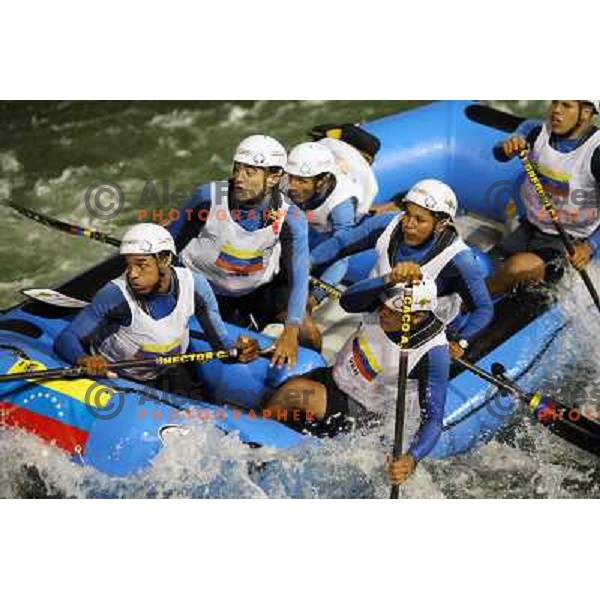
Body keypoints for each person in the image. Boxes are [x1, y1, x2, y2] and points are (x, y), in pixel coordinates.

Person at [264, 276, 449, 485]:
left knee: (293, 392)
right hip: (333, 378)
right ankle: (265, 431)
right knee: (275, 394)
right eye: (382, 306)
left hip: (361, 411)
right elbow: (347, 302)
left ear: (416, 318)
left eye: (391, 312)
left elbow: (434, 418)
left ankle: (259, 449)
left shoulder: (433, 353)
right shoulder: (379, 304)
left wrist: (411, 458)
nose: (381, 313)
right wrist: (389, 278)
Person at [54, 224, 258, 393]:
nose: (132, 274)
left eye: (141, 264)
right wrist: (84, 359)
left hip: (169, 372)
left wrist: (240, 351)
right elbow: (66, 338)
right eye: (129, 264)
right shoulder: (115, 294)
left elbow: (223, 348)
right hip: (119, 378)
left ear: (164, 259)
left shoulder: (196, 287)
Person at [168, 134, 316, 366]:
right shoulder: (207, 197)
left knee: (308, 334)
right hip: (201, 289)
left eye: (250, 172)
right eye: (237, 169)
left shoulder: (292, 218)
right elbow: (169, 245)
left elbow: (298, 276)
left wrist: (291, 329)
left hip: (256, 291)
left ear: (274, 177)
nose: (239, 178)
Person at [311, 179, 494, 359]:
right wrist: (307, 262)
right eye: (407, 214)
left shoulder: (460, 259)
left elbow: (483, 307)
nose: (408, 224)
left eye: (419, 220)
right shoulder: (387, 224)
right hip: (381, 312)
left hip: (424, 331)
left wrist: (461, 341)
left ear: (440, 224)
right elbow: (341, 243)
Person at [488, 100, 600, 294]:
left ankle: (463, 305)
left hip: (567, 242)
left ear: (586, 113)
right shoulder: (535, 130)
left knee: (517, 267)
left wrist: (590, 247)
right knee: (485, 267)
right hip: (527, 229)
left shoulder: (596, 152)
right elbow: (499, 153)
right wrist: (509, 143)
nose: (556, 110)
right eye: (555, 102)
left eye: (566, 105)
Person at [285, 142, 372, 319]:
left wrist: (315, 298)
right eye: (291, 177)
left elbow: (342, 256)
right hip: (337, 154)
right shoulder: (288, 179)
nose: (293, 186)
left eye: (302, 181)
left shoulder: (341, 205)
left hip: (333, 217)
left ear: (321, 182)